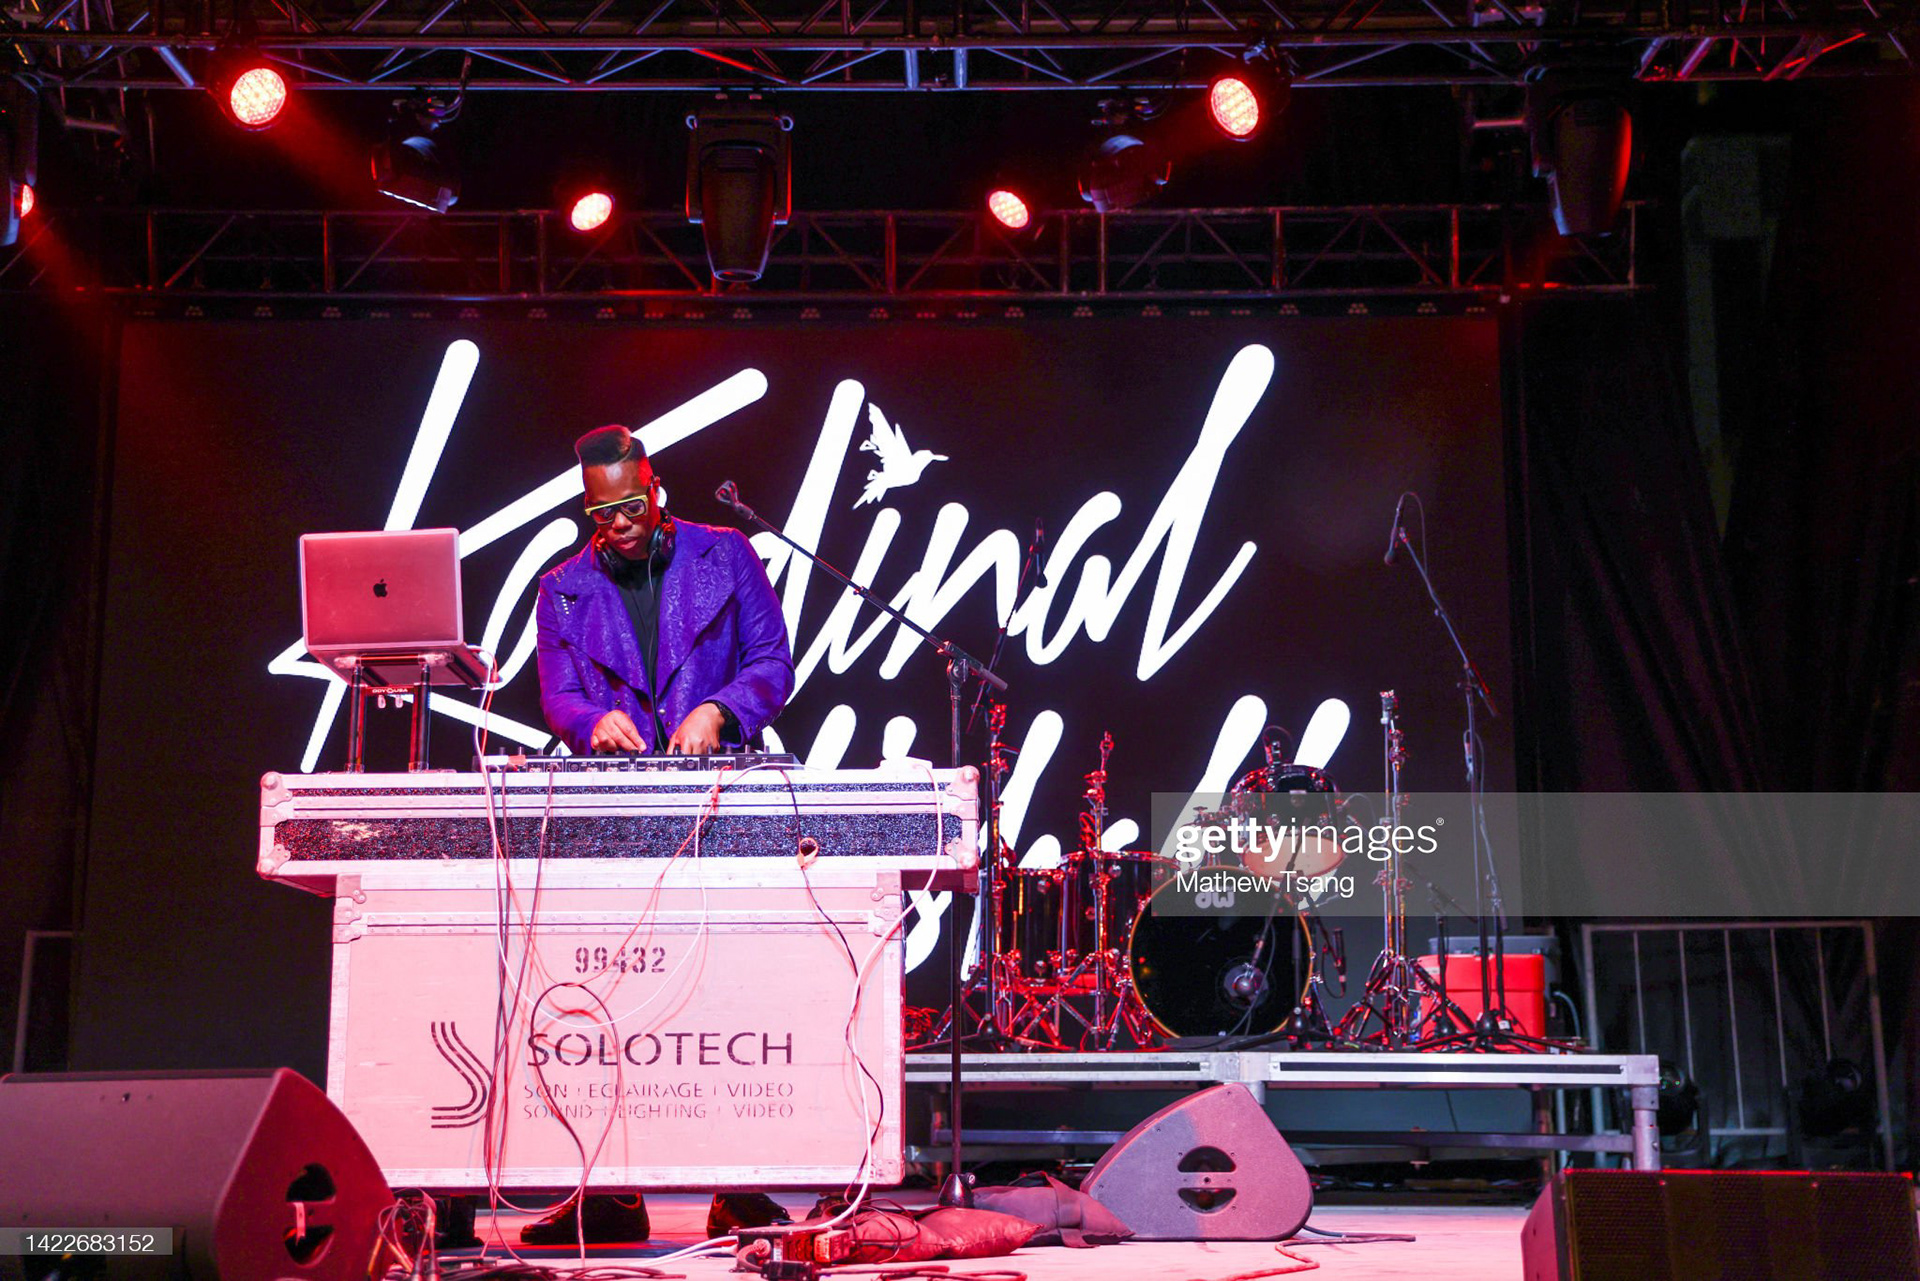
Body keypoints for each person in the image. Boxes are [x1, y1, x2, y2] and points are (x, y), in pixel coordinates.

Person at [525, 423, 795, 1245]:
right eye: (603, 513)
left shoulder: (726, 555)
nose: (620, 523)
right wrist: (589, 721)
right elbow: (559, 694)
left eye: (632, 507)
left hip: (720, 801)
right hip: (620, 811)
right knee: (607, 996)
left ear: (655, 490)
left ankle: (737, 1188)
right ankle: (610, 1192)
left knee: (730, 990)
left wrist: (719, 707)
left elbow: (772, 662)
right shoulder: (561, 589)